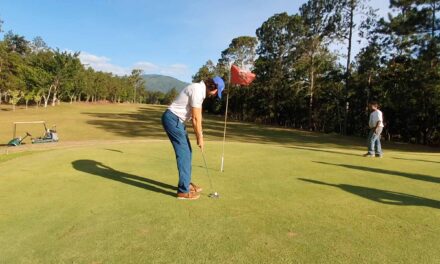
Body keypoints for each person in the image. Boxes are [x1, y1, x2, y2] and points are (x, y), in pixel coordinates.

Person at [162, 77, 225, 200]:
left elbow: (198, 116)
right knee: (184, 154)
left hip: (176, 121)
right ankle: (183, 192)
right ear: (212, 86)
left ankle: (186, 183)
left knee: (187, 152)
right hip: (172, 119)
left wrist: (200, 136)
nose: (216, 94)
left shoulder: (199, 91)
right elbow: (195, 119)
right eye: (217, 91)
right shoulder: (197, 91)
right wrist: (200, 138)